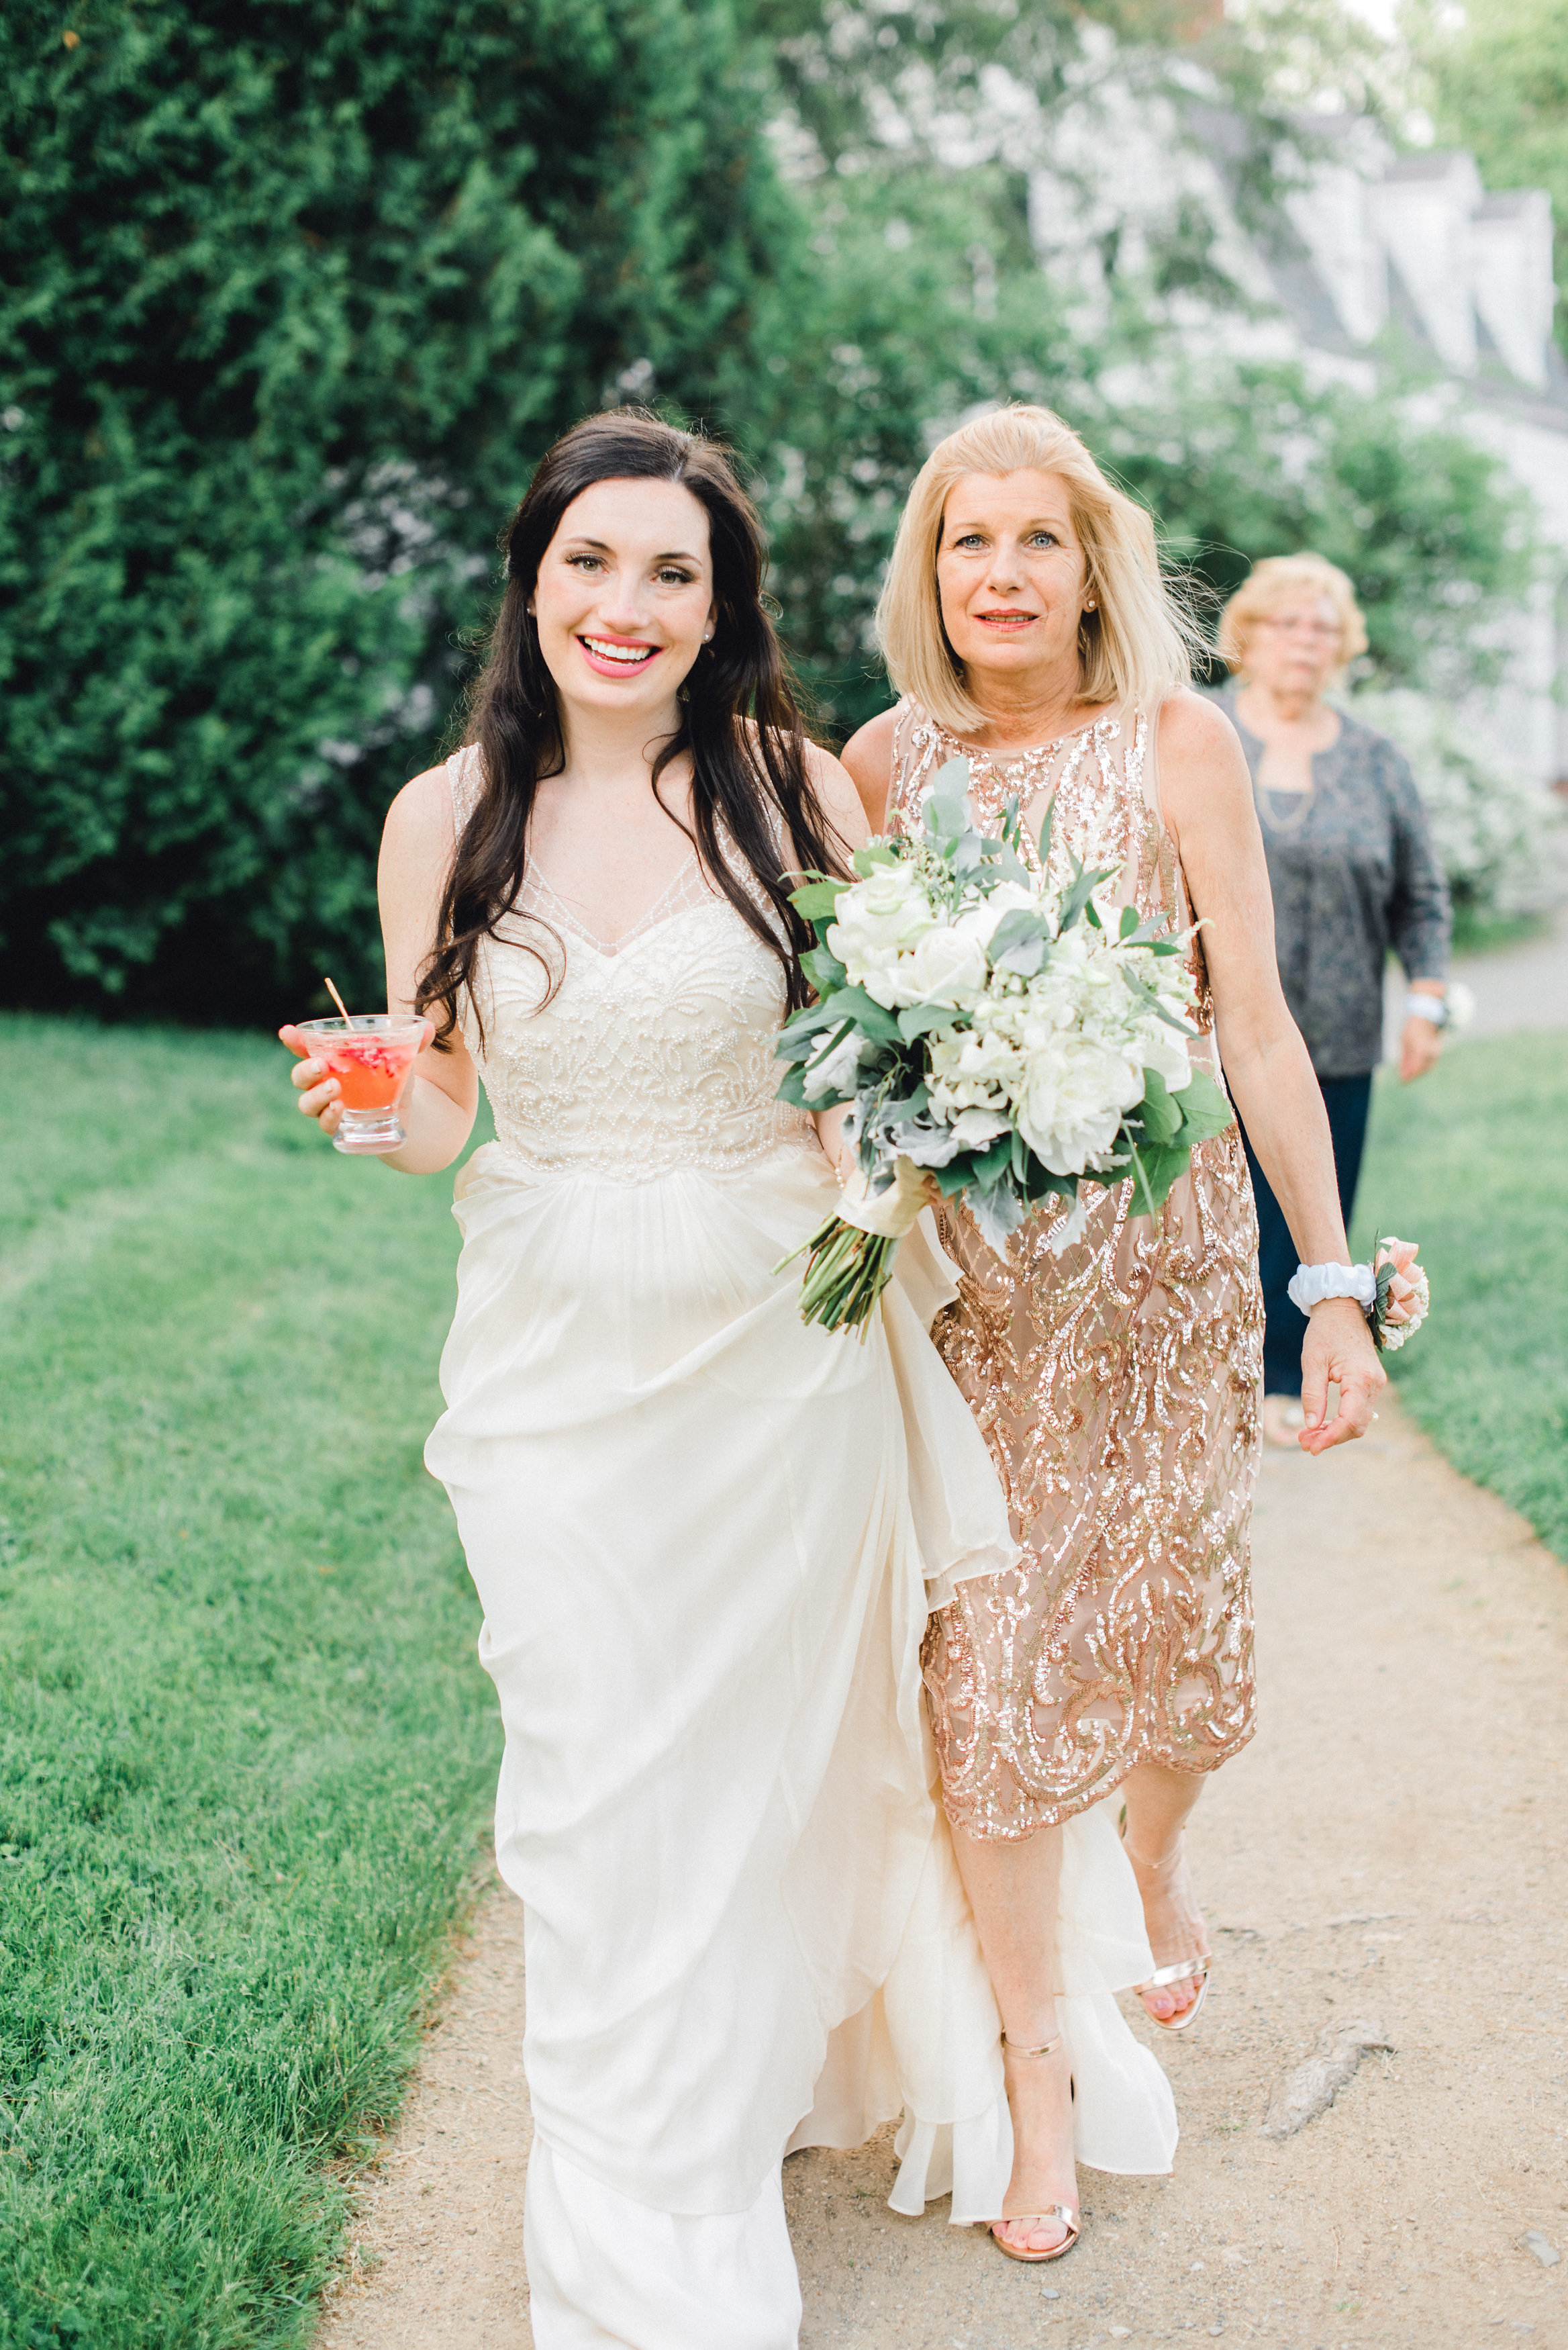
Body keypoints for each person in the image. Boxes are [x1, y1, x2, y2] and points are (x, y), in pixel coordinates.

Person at [280, 411, 1175, 2346]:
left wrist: (930, 1151)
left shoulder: (792, 792)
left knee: (762, 1765)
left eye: (672, 572)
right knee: (594, 1773)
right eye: (592, 562)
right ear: (533, 581)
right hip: (551, 1359)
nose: (628, 604)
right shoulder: (445, 816)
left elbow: (880, 1058)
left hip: (781, 1346)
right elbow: (440, 1109)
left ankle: (705, 2145)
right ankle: (636, 2203)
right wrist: (376, 1113)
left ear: (719, 605)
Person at [842, 404, 1387, 2264]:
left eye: (1035, 540)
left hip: (1165, 1281)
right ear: (928, 572)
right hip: (969, 1306)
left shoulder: (1177, 741)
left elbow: (1258, 1030)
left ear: (1094, 567)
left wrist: (1328, 1289)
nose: (998, 573)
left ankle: (1149, 1857)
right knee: (988, 1676)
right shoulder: (881, 762)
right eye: (965, 541)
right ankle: (1038, 2082)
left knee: (1182, 1654)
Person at [1215, 554, 1453, 1448]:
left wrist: (1426, 1000)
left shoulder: (1376, 759)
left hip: (1342, 1033)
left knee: (1312, 1206)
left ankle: (1285, 1376)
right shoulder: (1204, 737)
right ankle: (1205, 1372)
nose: (1305, 642)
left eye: (1323, 628)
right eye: (1288, 623)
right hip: (1213, 1030)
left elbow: (1422, 896)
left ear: (1343, 646)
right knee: (1213, 1204)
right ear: (1250, 635)